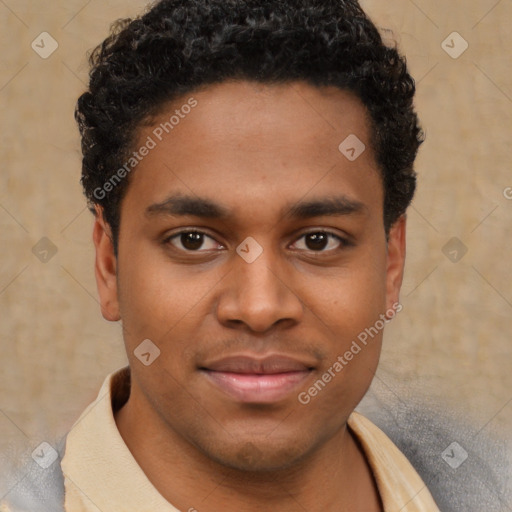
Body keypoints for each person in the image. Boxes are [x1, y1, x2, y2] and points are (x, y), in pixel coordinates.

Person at [3, 0, 495, 510]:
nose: (260, 308)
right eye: (192, 240)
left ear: (392, 264)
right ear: (108, 266)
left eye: (318, 240)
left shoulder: (485, 486)